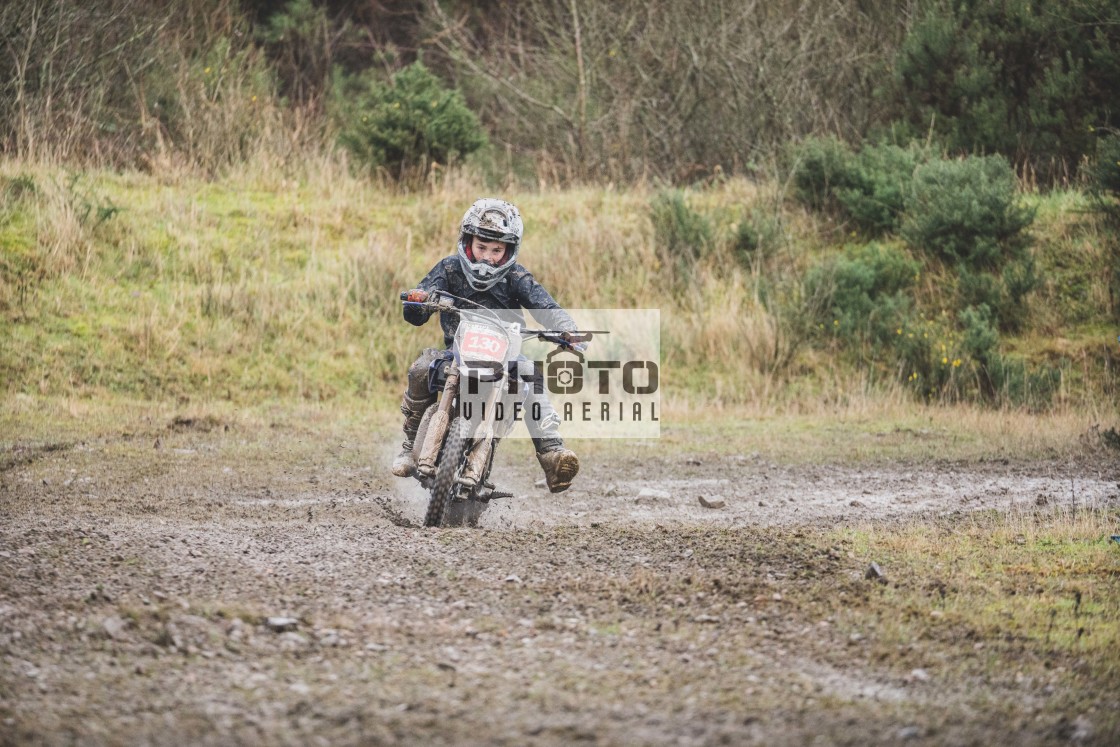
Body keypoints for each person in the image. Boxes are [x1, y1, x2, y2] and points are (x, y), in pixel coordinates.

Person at [391, 197, 580, 493]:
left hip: (505, 360)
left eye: (496, 250)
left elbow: (546, 306)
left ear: (509, 251)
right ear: (468, 242)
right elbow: (420, 299)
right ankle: (408, 445)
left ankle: (552, 454)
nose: (487, 257)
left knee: (530, 374)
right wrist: (421, 300)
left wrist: (566, 329)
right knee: (420, 368)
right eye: (481, 247)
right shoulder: (450, 269)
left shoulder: (517, 277)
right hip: (457, 354)